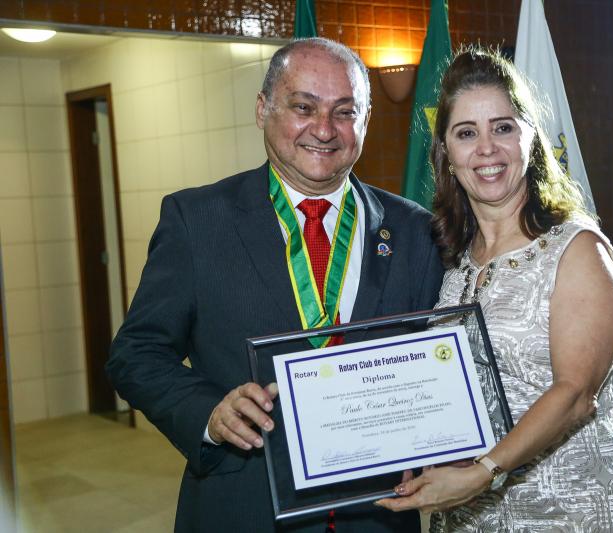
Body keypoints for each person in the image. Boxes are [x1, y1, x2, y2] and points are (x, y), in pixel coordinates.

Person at [106, 38, 444, 533]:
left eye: (345, 112)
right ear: (263, 109)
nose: (324, 129)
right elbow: (135, 354)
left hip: (377, 514)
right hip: (244, 507)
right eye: (303, 107)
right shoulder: (197, 220)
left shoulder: (414, 229)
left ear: (366, 121)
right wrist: (209, 413)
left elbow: (435, 362)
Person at [376, 47, 613, 531]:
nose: (486, 148)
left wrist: (483, 472)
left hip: (571, 510)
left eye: (502, 127)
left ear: (530, 138)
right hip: (468, 515)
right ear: (446, 154)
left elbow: (576, 394)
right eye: (466, 133)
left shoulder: (576, 250)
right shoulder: (454, 263)